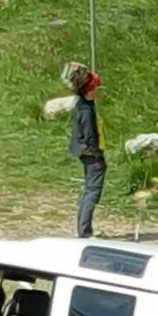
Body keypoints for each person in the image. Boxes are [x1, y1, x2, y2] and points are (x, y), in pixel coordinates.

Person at [63, 62, 107, 239]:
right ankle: (85, 232)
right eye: (95, 88)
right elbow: (89, 136)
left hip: (84, 151)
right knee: (93, 191)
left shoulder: (84, 104)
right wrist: (97, 155)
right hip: (91, 154)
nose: (98, 90)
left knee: (89, 190)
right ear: (89, 91)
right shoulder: (87, 111)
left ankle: (83, 228)